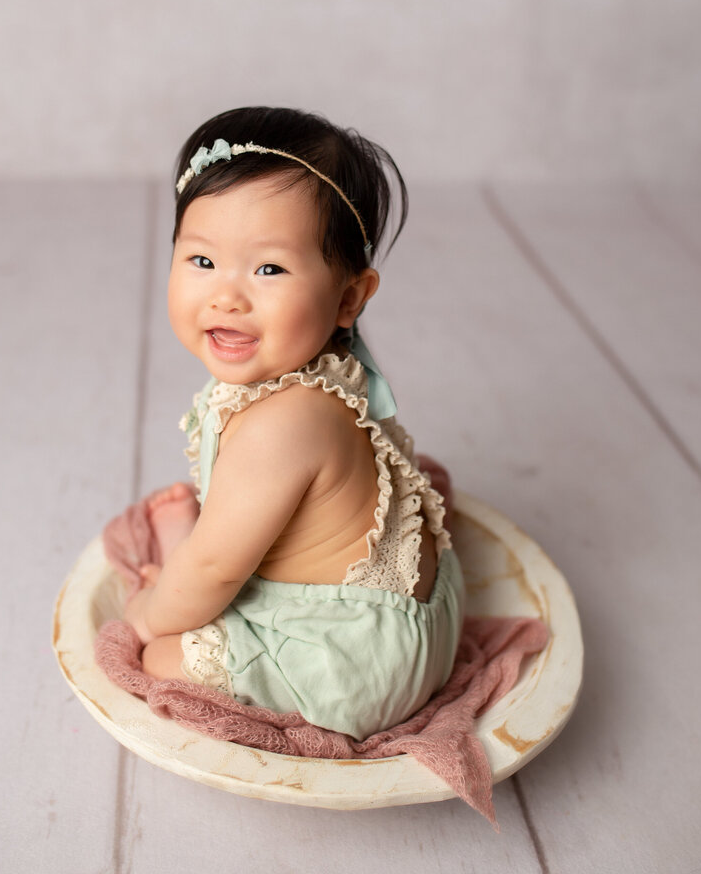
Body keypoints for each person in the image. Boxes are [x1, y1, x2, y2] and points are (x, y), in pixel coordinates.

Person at [123, 106, 465, 741]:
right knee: (221, 558)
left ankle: (171, 570)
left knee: (163, 654)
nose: (227, 295)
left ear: (348, 298)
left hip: (357, 661)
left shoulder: (283, 423)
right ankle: (184, 566)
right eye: (202, 261)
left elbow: (216, 573)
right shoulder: (311, 371)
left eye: (269, 269)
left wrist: (148, 615)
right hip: (415, 607)